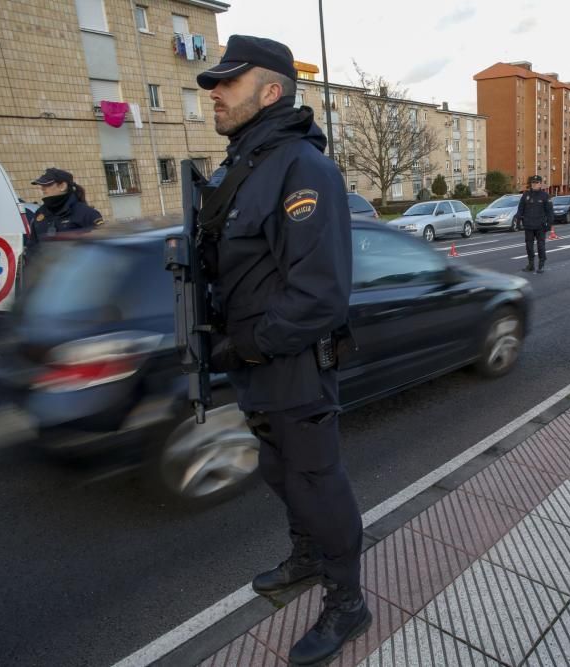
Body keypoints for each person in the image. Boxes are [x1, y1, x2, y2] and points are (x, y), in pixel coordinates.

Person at [196, 35, 368, 666]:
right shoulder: (245, 164)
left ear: (271, 91)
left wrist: (247, 344)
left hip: (291, 362)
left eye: (226, 83)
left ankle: (348, 603)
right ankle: (304, 556)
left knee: (318, 481)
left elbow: (320, 294)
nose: (213, 93)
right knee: (277, 469)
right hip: (254, 364)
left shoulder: (301, 167)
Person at [29, 168, 103, 238]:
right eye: (41, 185)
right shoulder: (40, 213)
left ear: (63, 186)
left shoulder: (87, 214)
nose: (42, 188)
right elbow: (32, 245)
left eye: (47, 184)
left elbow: (101, 245)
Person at [515, 175, 554, 274]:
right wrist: (518, 221)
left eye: (536, 183)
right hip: (528, 225)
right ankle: (531, 264)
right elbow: (520, 209)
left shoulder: (545, 196)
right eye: (533, 182)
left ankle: (541, 264)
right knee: (529, 246)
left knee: (541, 246)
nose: (534, 184)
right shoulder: (526, 195)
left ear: (540, 184)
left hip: (540, 226)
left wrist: (549, 224)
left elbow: (550, 212)